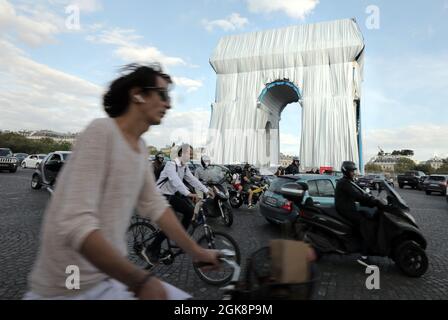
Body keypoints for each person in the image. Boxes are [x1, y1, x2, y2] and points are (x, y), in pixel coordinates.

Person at [24, 64, 219, 301]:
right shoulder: (101, 132)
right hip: (67, 288)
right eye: (162, 94)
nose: (168, 104)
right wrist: (140, 280)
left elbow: (155, 206)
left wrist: (196, 251)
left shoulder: (140, 149)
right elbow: (76, 223)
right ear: (137, 94)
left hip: (107, 279)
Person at [152, 144, 214, 264]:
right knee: (170, 225)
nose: (191, 155)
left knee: (189, 211)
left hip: (171, 195)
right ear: (182, 153)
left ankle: (180, 239)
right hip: (160, 196)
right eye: (190, 153)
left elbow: (192, 180)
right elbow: (175, 181)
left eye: (192, 153)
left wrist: (206, 190)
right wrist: (188, 193)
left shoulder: (184, 167)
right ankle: (151, 249)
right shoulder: (171, 165)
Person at [335, 161, 384, 262]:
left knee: (366, 214)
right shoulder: (344, 183)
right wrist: (373, 201)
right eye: (352, 171)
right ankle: (364, 252)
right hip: (346, 210)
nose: (353, 172)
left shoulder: (348, 181)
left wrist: (370, 197)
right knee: (365, 224)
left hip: (349, 208)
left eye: (353, 170)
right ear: (346, 171)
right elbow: (357, 196)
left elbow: (359, 192)